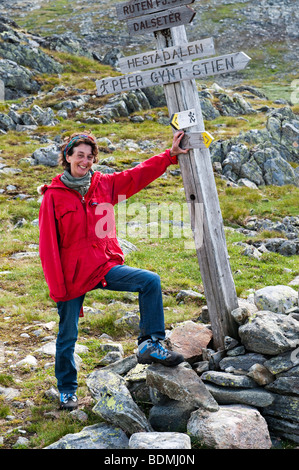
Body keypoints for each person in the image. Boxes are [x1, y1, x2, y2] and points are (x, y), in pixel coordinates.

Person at [38, 130, 189, 410]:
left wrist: (168, 157)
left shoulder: (104, 185)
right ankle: (67, 390)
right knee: (68, 334)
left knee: (150, 282)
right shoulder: (53, 197)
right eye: (79, 155)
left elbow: (137, 175)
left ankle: (149, 343)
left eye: (89, 156)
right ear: (67, 157)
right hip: (71, 277)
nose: (84, 160)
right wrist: (58, 289)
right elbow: (48, 247)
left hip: (104, 266)